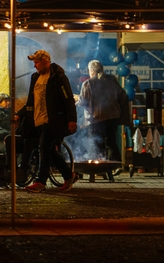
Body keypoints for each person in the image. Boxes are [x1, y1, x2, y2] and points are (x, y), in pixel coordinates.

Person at [15, 49, 78, 192]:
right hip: (38, 120)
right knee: (49, 150)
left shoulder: (58, 77)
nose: (34, 65)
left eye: (36, 62)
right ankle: (69, 175)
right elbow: (31, 101)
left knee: (44, 147)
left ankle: (41, 182)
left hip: (53, 120)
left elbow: (68, 99)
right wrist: (20, 114)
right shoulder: (35, 77)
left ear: (45, 62)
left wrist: (71, 119)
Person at [77, 59, 130, 162]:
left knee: (97, 144)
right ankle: (116, 165)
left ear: (92, 71)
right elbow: (123, 96)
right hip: (113, 118)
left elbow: (83, 101)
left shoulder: (88, 83)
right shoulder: (112, 81)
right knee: (111, 142)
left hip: (96, 119)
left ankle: (100, 166)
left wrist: (75, 101)